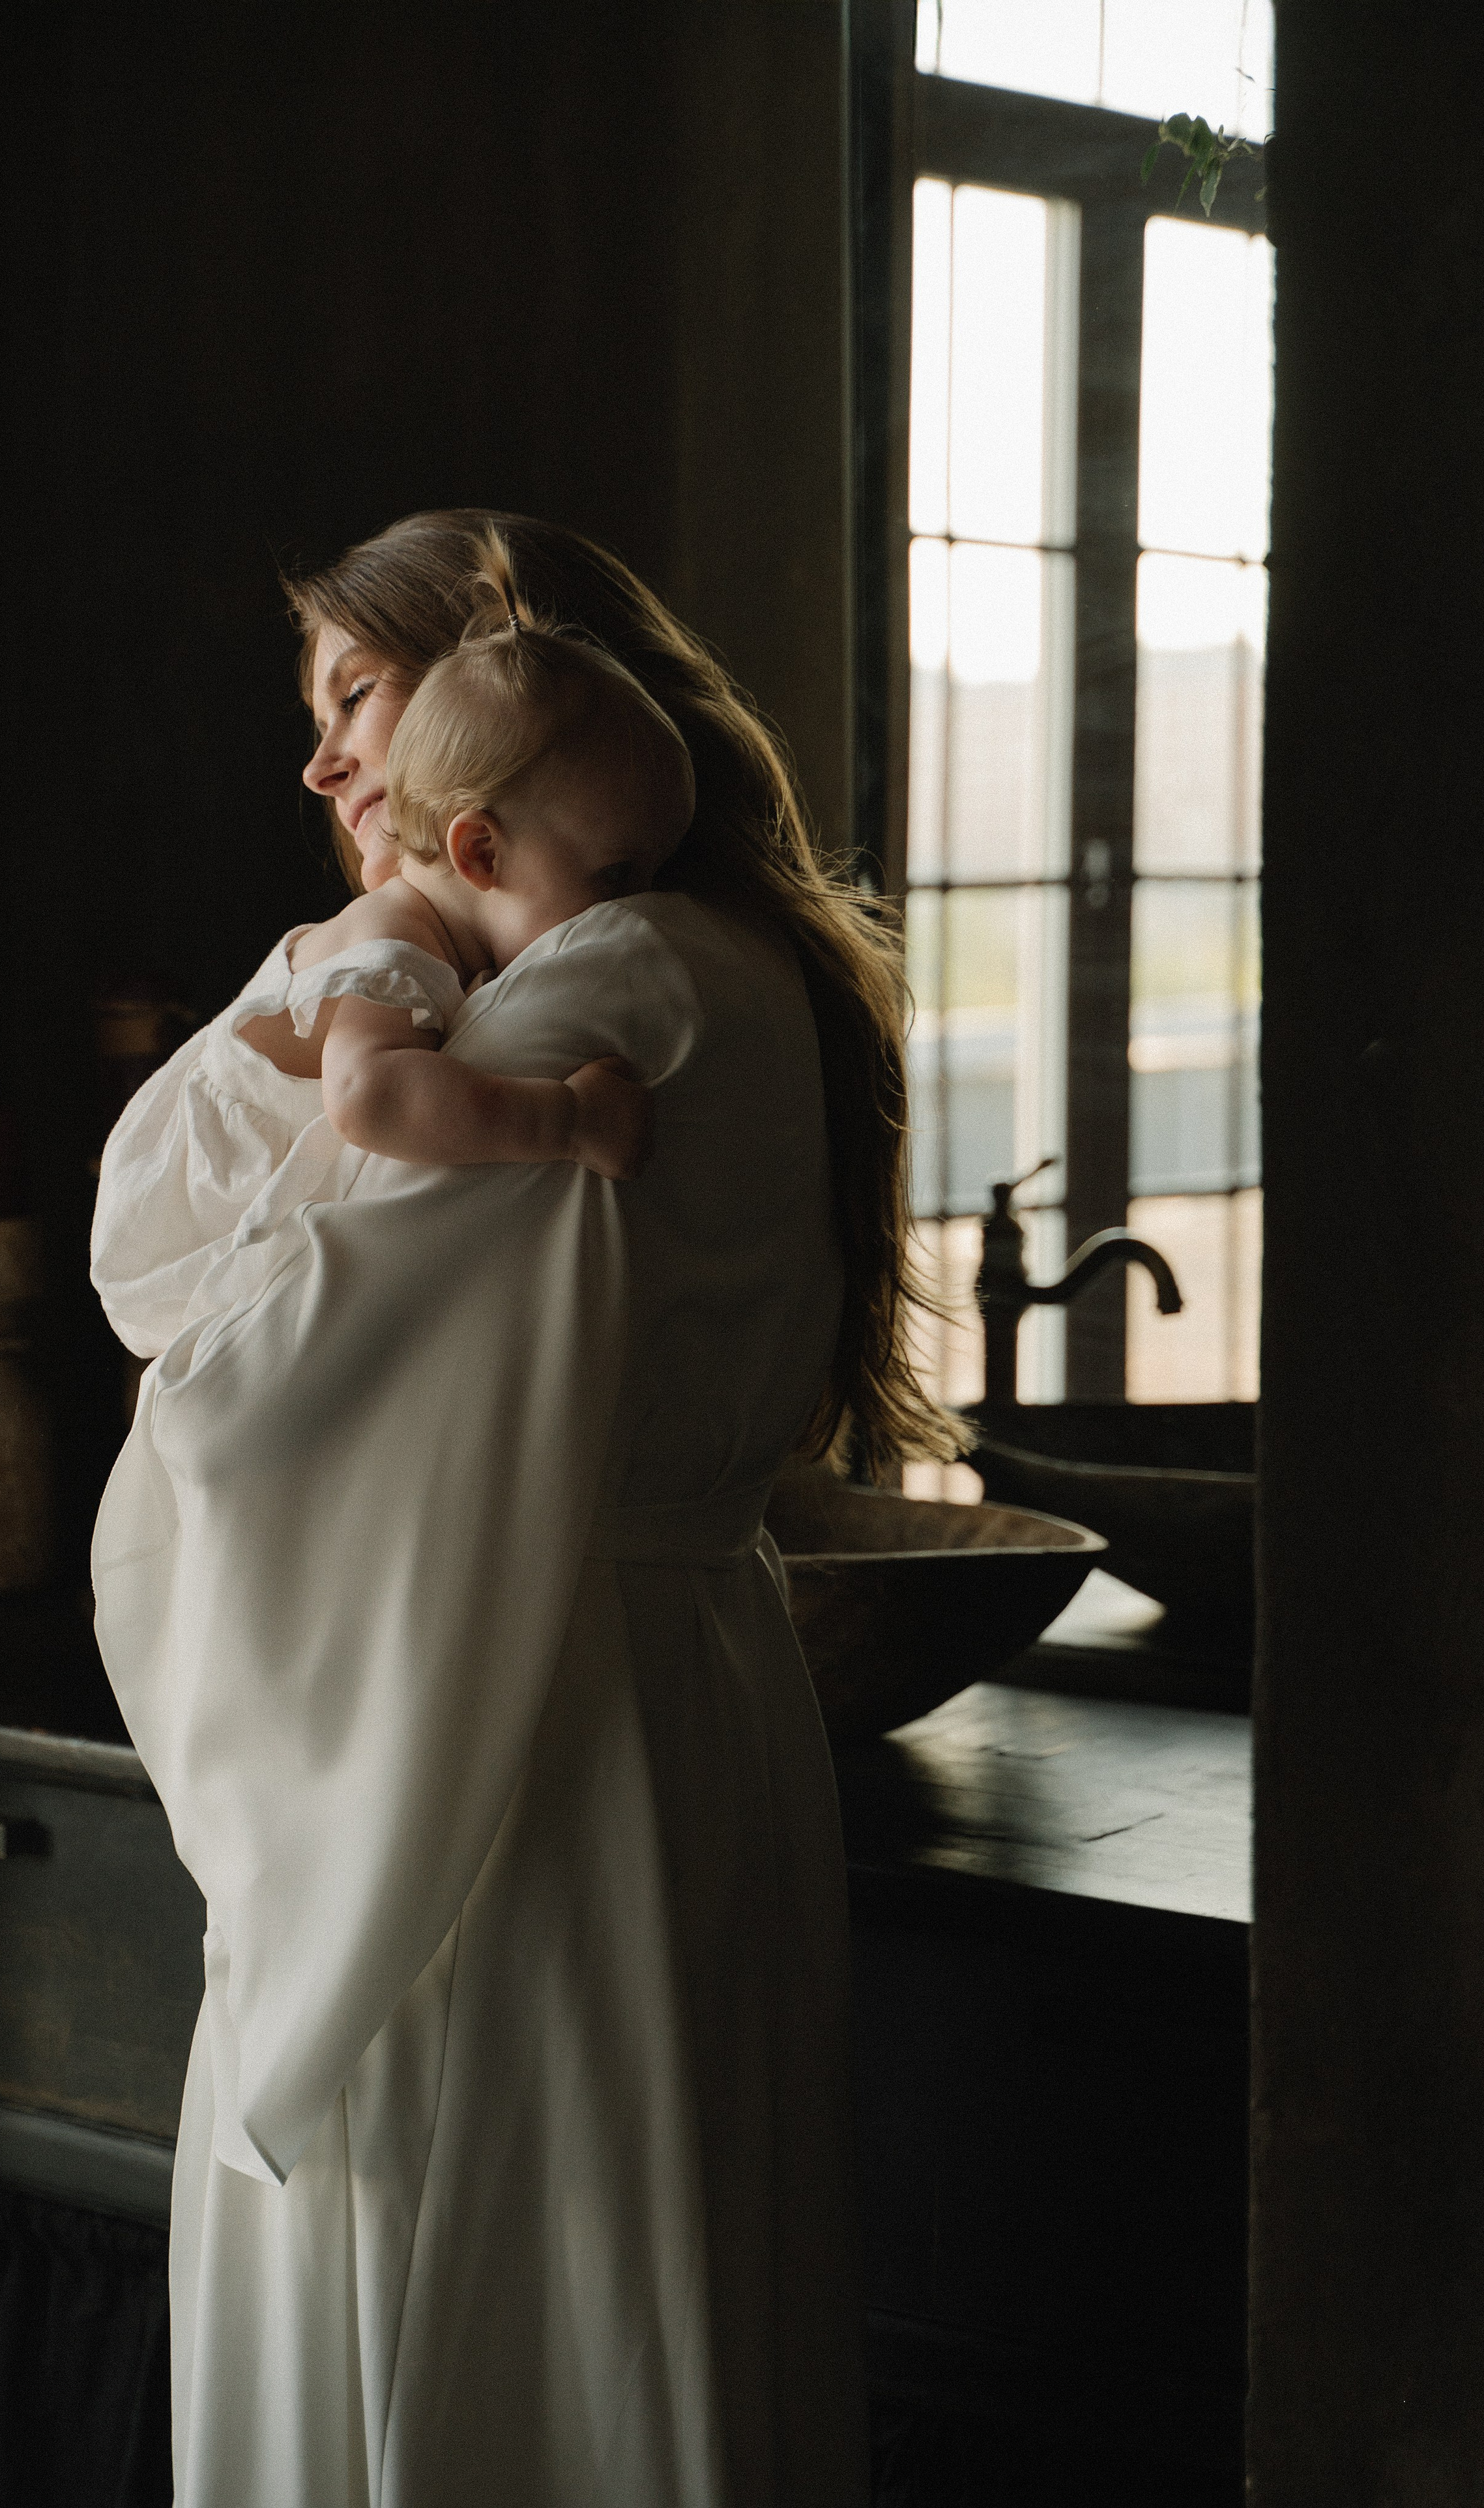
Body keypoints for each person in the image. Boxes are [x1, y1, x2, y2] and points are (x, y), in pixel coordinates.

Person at [89, 510, 963, 2508]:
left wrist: (309, 1022)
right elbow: (155, 1248)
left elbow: (232, 1363)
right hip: (608, 1691)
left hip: (515, 1727)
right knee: (597, 2298)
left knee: (505, 2303)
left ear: (506, 688)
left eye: (355, 701)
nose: (322, 767)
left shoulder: (609, 990)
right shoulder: (584, 968)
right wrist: (318, 979)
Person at [240, 533, 694, 1180]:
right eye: (618, 876)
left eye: (355, 697)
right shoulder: (389, 933)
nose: (316, 771)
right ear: (478, 849)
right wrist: (569, 1119)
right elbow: (365, 1093)